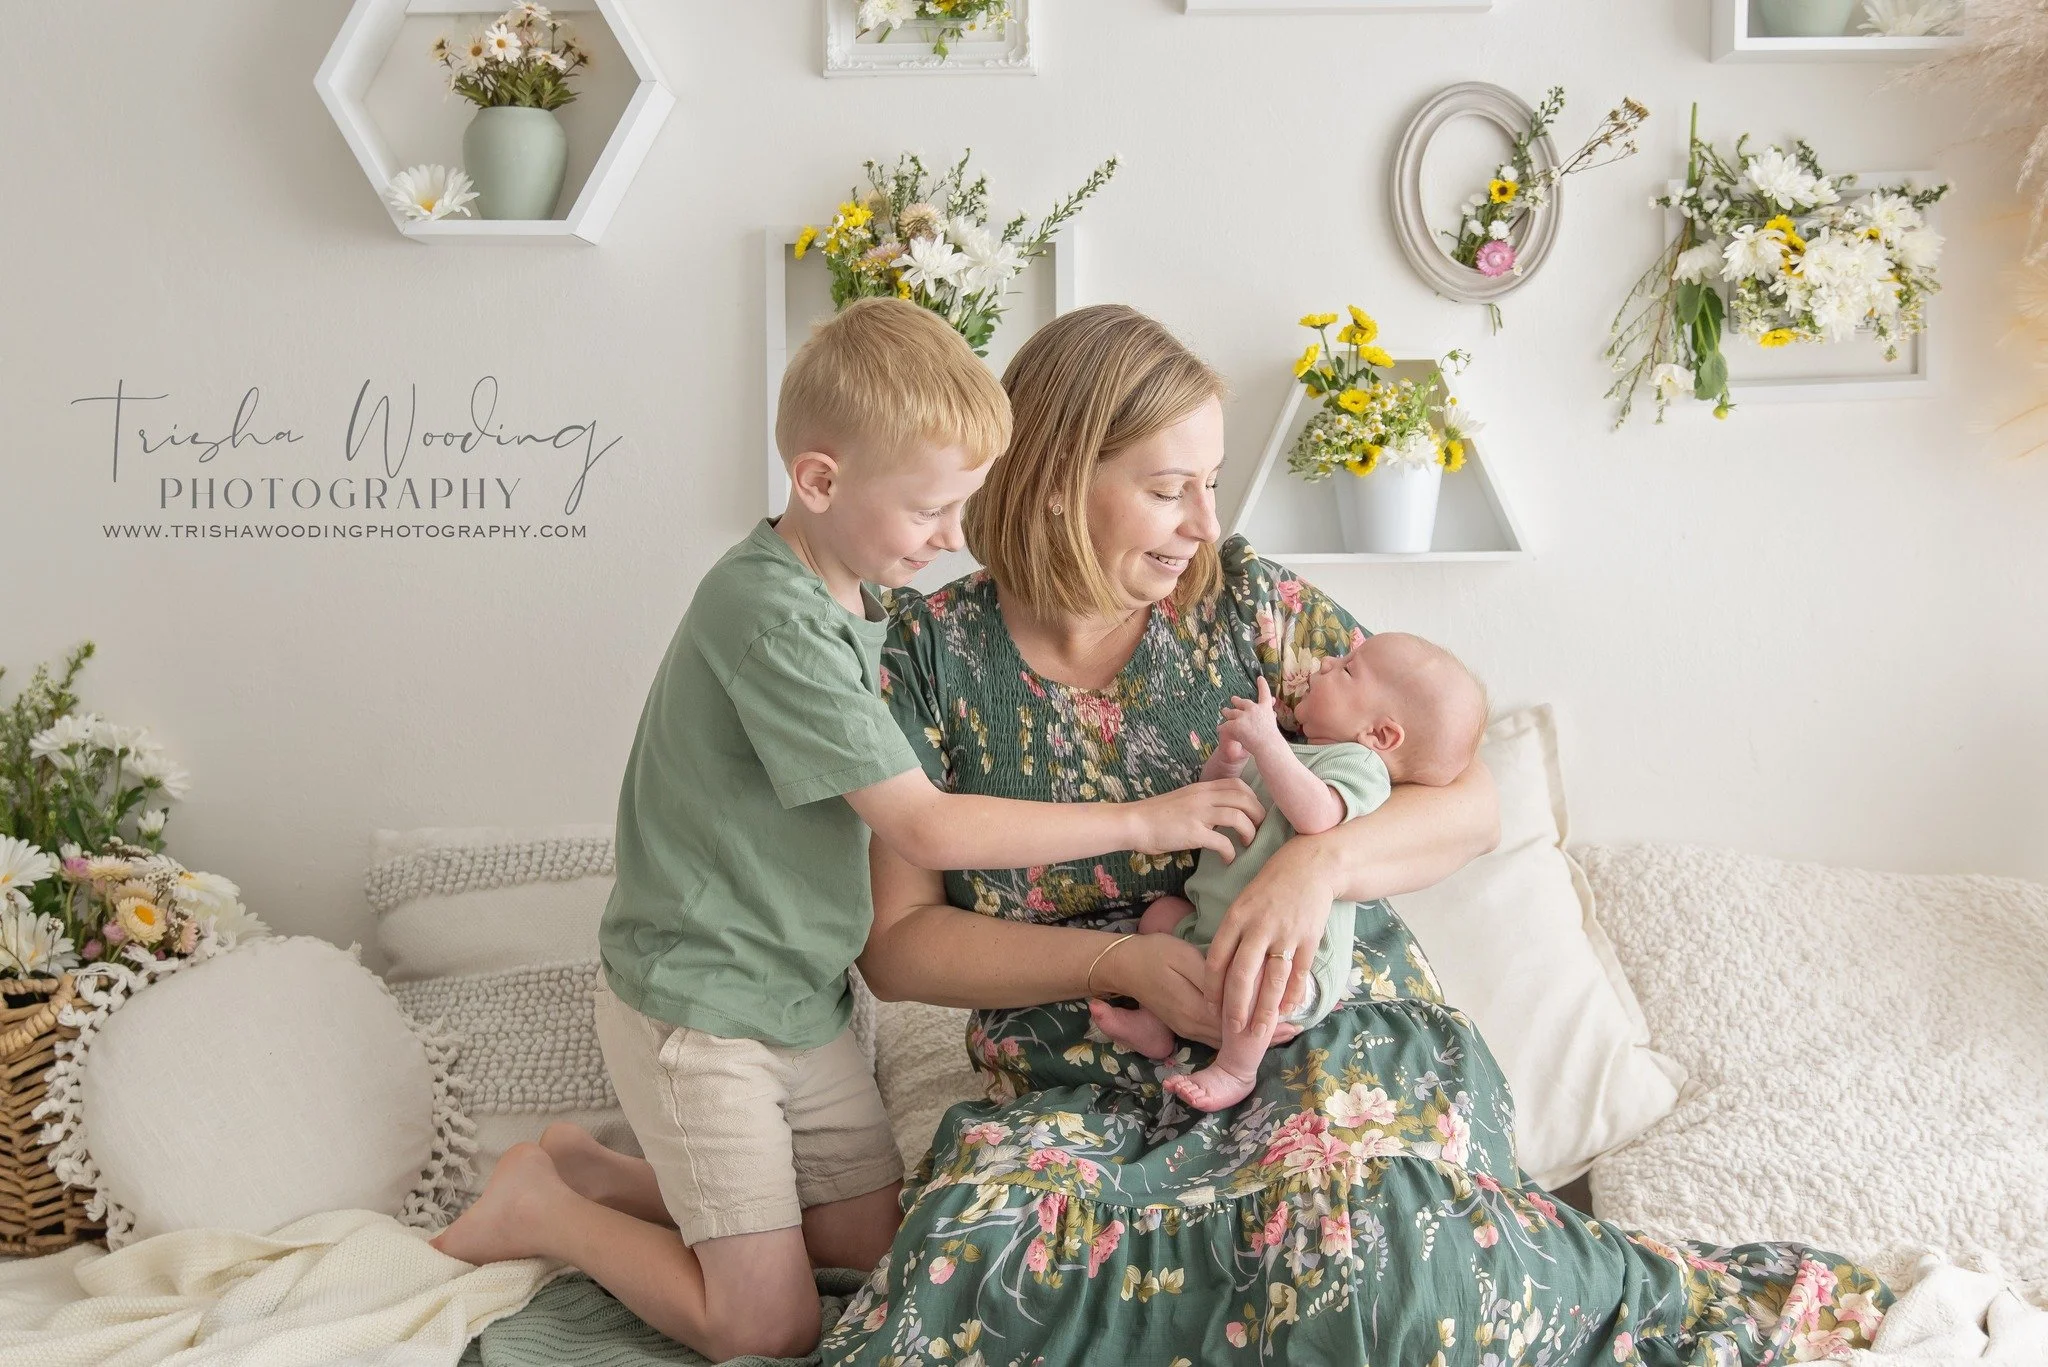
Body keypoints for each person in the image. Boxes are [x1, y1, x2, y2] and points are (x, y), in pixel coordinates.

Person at [821, 303, 1893, 1364]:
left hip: (1316, 1031)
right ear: (1058, 479)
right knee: (963, 1304)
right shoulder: (920, 656)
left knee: (1379, 1279)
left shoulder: (1238, 601)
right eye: (1166, 487)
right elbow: (900, 942)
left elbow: (1465, 796)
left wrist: (1314, 861)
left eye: (1210, 480)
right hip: (1086, 1074)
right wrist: (1123, 962)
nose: (1203, 520)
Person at [428, 298, 1263, 1362]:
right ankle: (538, 1208)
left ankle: (591, 1171)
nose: (953, 538)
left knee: (874, 1252)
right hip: (705, 999)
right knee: (769, 1326)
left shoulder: (851, 593)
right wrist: (1147, 813)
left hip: (797, 993)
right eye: (929, 511)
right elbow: (923, 822)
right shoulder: (769, 616)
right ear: (818, 482)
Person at [1091, 633, 1488, 1111]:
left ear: (1379, 736)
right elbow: (1214, 803)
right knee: (1159, 918)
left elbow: (1317, 816)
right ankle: (1159, 1027)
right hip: (1212, 929)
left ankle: (1237, 1068)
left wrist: (1266, 740)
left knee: (1255, 980)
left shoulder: (1359, 767)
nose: (1323, 662)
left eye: (1346, 670)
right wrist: (1229, 763)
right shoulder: (1293, 758)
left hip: (1288, 962)